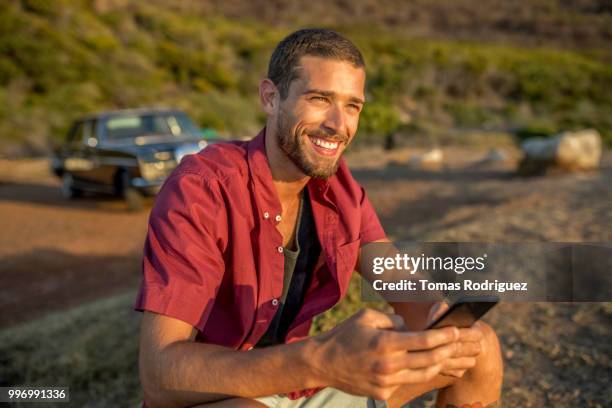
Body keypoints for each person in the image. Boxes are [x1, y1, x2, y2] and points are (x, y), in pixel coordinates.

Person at [134, 29, 503, 408]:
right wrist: (321, 360)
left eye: (352, 106)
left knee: (479, 348)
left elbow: (393, 273)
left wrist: (435, 318)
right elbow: (160, 375)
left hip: (309, 386)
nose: (338, 124)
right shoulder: (202, 188)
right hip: (225, 393)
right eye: (320, 99)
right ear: (271, 97)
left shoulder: (339, 188)